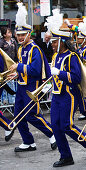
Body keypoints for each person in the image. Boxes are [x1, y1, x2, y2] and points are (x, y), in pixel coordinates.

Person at [47, 13, 86, 166]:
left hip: (69, 94)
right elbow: (56, 75)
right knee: (55, 126)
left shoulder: (72, 56)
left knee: (66, 125)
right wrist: (50, 84)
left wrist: (60, 74)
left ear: (62, 41)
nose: (53, 45)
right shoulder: (56, 56)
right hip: (56, 95)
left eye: (55, 42)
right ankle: (66, 156)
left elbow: (75, 78)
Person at [8, 2, 56, 152]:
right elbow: (24, 69)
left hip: (33, 86)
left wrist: (19, 67)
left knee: (32, 115)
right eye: (18, 34)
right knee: (18, 116)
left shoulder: (35, 49)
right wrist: (16, 74)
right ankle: (28, 142)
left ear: (29, 34)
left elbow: (35, 70)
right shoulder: (21, 49)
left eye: (23, 35)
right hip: (22, 86)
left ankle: (53, 134)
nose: (20, 37)